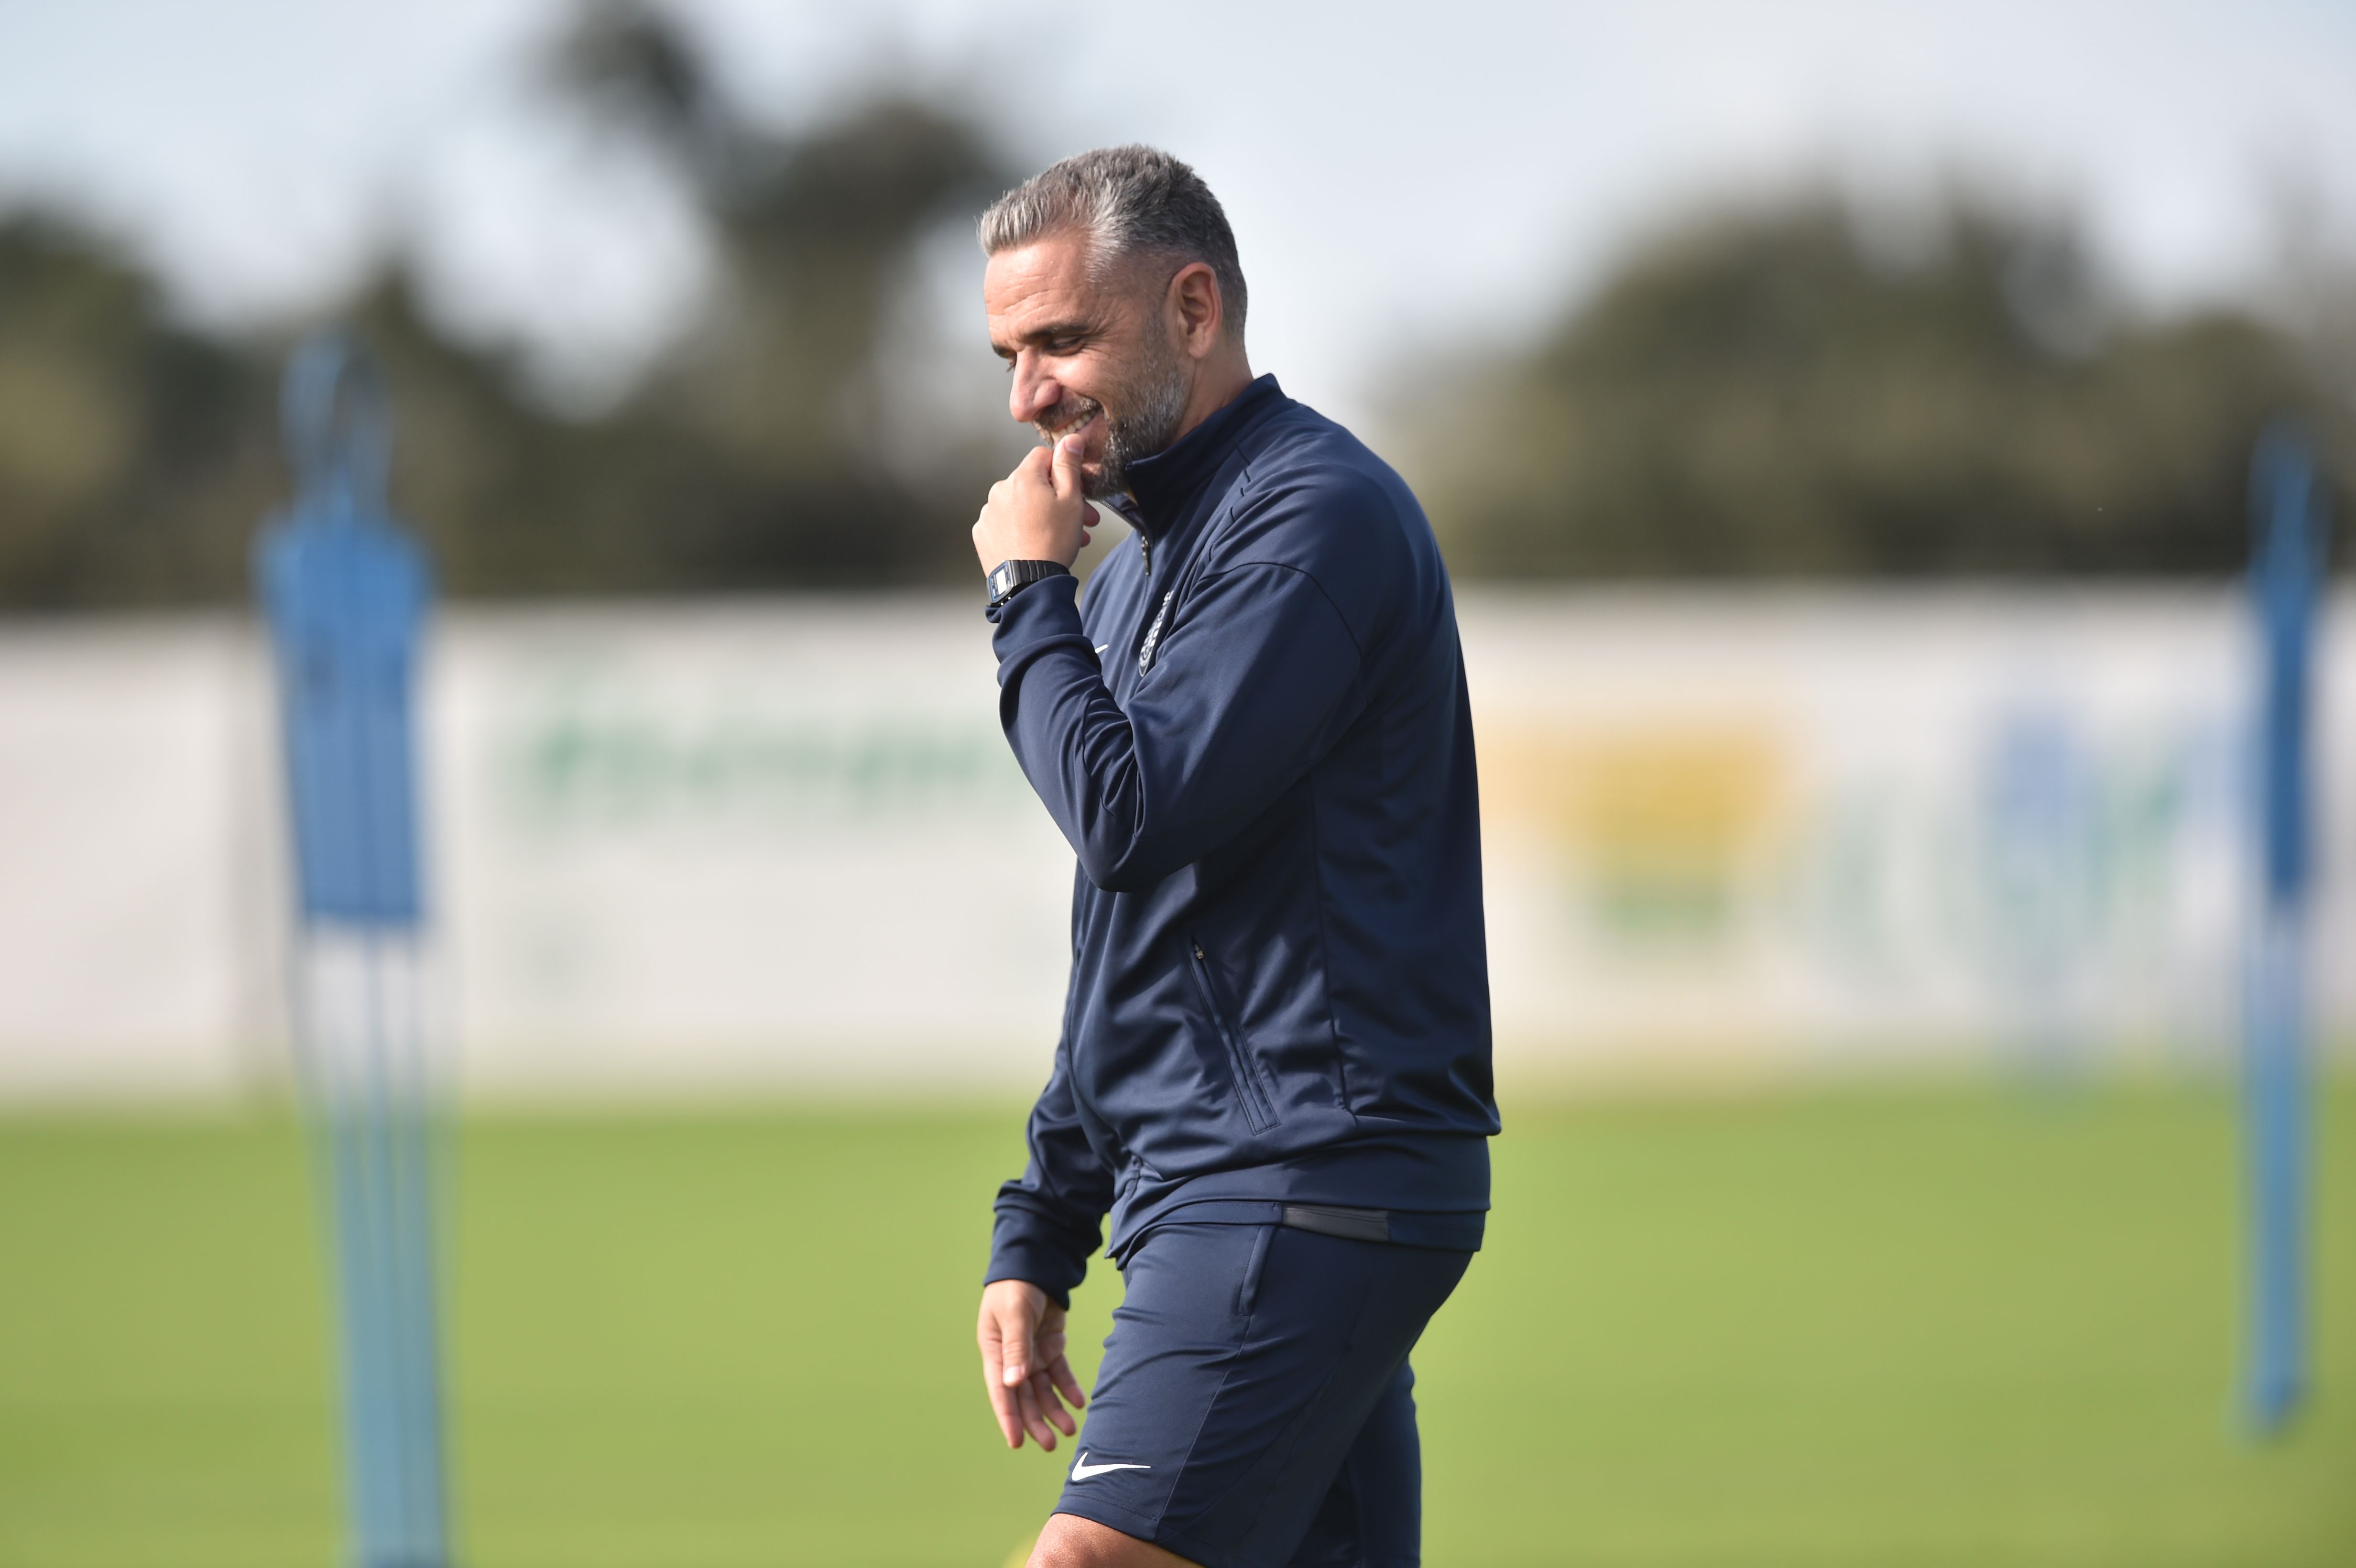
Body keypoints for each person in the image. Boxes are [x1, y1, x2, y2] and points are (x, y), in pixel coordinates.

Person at [968, 146, 1497, 1568]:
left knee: (1086, 1561)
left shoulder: (1310, 517)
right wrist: (1043, 1223)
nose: (1029, 394)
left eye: (1064, 338)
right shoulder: (1137, 566)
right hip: (1240, 1178)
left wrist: (1025, 595)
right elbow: (1129, 929)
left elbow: (1126, 812)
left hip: (1306, 1174)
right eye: (1013, 353)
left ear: (1193, 311)